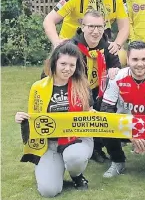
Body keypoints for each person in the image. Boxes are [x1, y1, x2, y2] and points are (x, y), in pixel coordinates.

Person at [15, 42, 94, 197]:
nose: (67, 69)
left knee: (73, 157)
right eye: (63, 63)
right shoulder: (38, 87)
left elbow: (89, 111)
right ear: (54, 63)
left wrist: (94, 114)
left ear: (77, 66)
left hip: (77, 139)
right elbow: (34, 116)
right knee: (48, 191)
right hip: (49, 143)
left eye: (72, 65)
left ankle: (76, 176)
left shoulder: (82, 85)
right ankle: (51, 170)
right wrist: (22, 117)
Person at [100, 41, 145, 177]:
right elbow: (106, 111)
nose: (140, 64)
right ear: (127, 60)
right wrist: (129, 133)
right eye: (135, 59)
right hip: (125, 126)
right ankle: (118, 161)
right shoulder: (117, 78)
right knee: (105, 127)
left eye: (144, 59)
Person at [72, 10, 121, 163]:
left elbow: (117, 66)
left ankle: (98, 147)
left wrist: (115, 70)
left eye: (99, 27)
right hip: (75, 90)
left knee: (106, 106)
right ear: (83, 27)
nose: (96, 31)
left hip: (99, 90)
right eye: (91, 26)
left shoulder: (108, 46)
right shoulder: (71, 47)